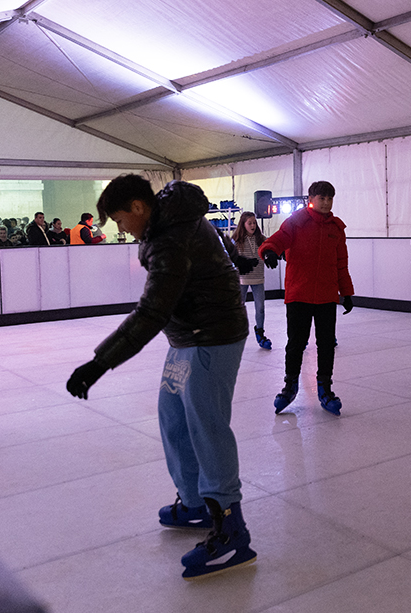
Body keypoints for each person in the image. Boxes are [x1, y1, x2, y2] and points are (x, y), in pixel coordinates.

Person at [64, 175, 255, 579]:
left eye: (119, 219)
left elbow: (152, 310)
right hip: (186, 335)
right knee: (173, 418)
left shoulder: (171, 237)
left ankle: (230, 528)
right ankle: (194, 503)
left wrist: (98, 364)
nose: (120, 228)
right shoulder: (168, 221)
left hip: (213, 334)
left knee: (207, 426)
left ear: (137, 207)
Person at [259, 181, 354, 415]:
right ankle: (290, 386)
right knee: (296, 344)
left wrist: (347, 293)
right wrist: (269, 250)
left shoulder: (336, 228)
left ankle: (325, 388)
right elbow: (279, 238)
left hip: (326, 296)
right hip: (299, 294)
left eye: (330, 198)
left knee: (326, 344)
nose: (326, 202)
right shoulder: (297, 221)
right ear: (312, 198)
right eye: (322, 198)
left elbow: (341, 263)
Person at [232, 211, 269, 349]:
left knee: (260, 308)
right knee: (238, 308)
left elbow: (271, 248)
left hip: (258, 279)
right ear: (243, 224)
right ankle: (235, 334)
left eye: (254, 222)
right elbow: (229, 257)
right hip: (241, 280)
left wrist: (272, 254)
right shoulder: (236, 241)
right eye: (250, 223)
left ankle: (260, 332)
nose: (253, 225)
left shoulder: (262, 239)